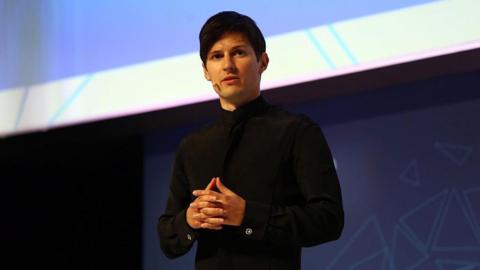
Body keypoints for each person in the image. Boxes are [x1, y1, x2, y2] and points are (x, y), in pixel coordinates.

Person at [157, 11, 344, 270]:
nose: (228, 65)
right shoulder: (192, 146)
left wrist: (247, 215)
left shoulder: (296, 131)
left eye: (239, 52)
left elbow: (328, 219)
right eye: (216, 56)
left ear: (262, 61)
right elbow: (168, 240)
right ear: (205, 71)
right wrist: (189, 220)